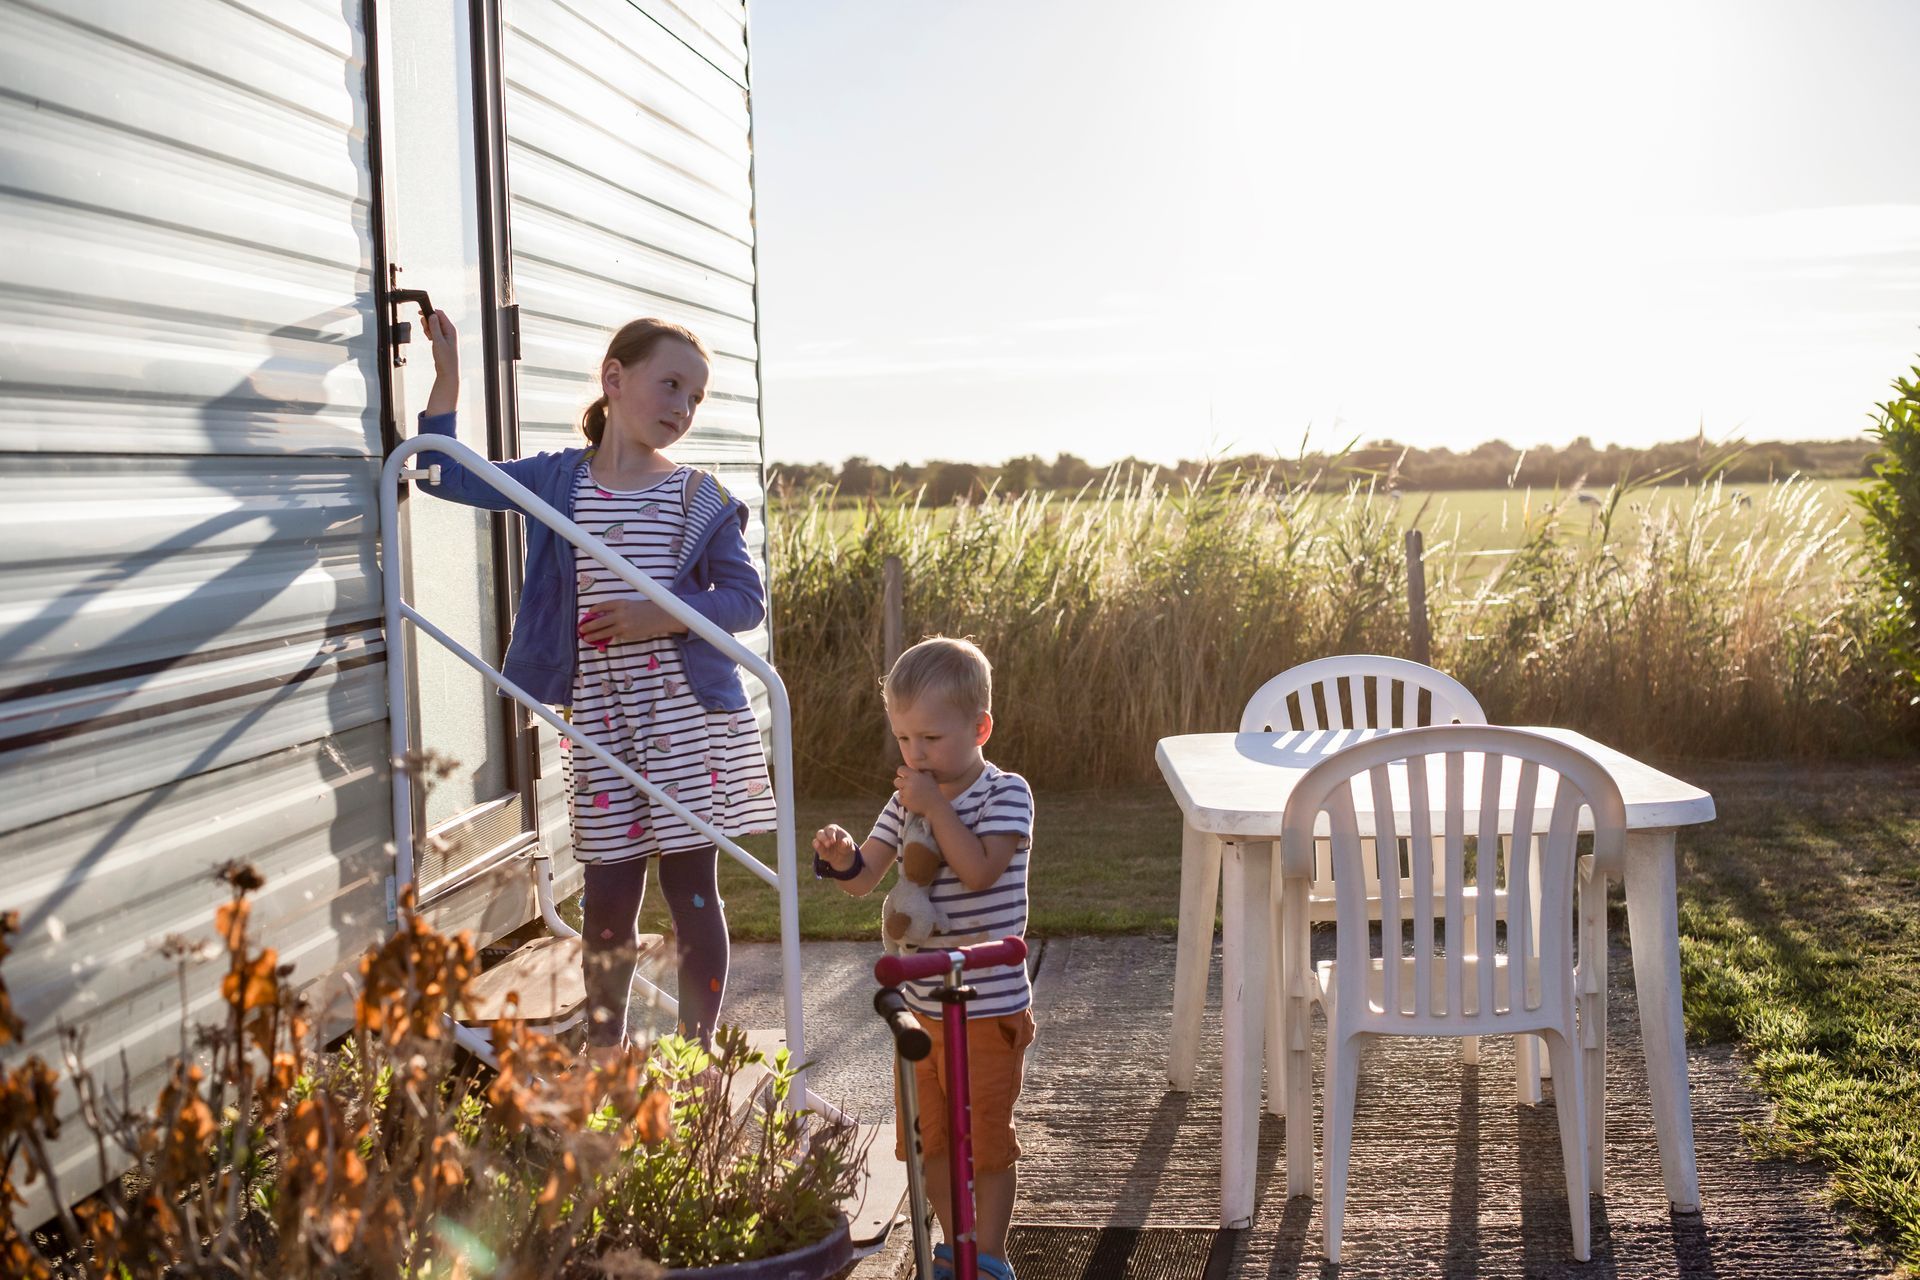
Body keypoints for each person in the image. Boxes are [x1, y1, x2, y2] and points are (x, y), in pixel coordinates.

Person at [416, 312, 774, 1064]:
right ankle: (605, 1055)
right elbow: (440, 474)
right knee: (609, 890)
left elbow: (745, 601)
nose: (682, 405)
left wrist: (660, 614)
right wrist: (448, 377)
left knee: (690, 884)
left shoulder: (696, 498)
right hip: (601, 718)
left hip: (684, 718)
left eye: (697, 397)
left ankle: (694, 1058)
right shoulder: (557, 481)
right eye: (669, 383)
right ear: (613, 379)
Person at [812, 637, 1034, 1280]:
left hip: (987, 1003)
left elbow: (981, 872)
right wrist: (839, 856)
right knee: (929, 1140)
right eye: (905, 740)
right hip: (920, 1007)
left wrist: (934, 807)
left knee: (985, 1141)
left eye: (931, 739)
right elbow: (864, 878)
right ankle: (953, 1244)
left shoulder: (1006, 795)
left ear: (980, 727)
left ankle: (987, 1254)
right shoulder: (905, 799)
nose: (916, 755)